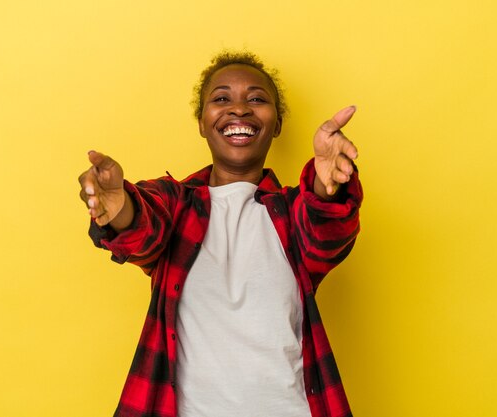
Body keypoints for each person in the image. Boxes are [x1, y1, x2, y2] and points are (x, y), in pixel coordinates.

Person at [78, 51, 363, 417]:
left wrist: (328, 188)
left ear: (277, 124)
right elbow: (143, 229)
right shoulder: (175, 205)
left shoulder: (292, 214)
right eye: (222, 98)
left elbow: (326, 233)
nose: (239, 109)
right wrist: (119, 208)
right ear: (202, 121)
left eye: (257, 99)